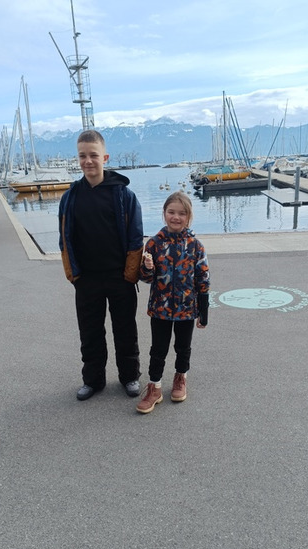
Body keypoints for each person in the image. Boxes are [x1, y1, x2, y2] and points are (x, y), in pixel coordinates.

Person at [58, 130, 144, 401]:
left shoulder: (124, 195)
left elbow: (135, 237)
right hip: (86, 279)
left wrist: (130, 274)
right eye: (82, 156)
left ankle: (129, 376)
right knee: (90, 333)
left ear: (105, 158)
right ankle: (93, 380)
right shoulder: (70, 197)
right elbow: (64, 238)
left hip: (120, 277)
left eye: (93, 155)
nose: (88, 161)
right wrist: (73, 274)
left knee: (125, 330)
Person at [137, 191, 210, 414]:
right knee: (158, 349)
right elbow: (146, 278)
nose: (176, 217)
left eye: (182, 213)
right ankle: (155, 387)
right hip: (160, 309)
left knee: (183, 347)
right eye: (171, 212)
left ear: (189, 217)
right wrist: (147, 268)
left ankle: (180, 378)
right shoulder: (154, 244)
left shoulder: (195, 246)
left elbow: (203, 278)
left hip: (186, 310)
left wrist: (203, 311)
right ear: (164, 213)